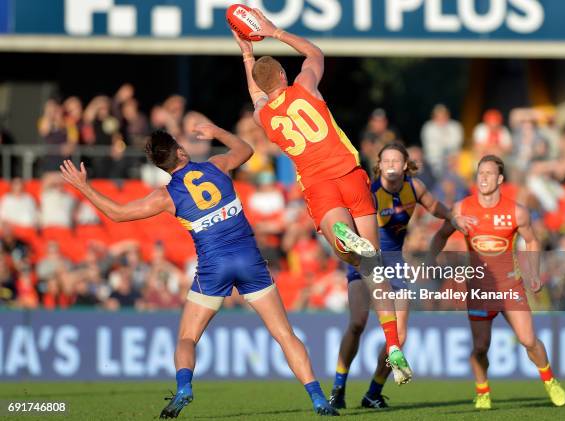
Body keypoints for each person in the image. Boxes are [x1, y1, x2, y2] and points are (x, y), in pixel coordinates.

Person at [59, 123, 338, 418]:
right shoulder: (216, 166)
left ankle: (183, 388)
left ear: (160, 166)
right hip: (249, 260)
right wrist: (217, 131)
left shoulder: (166, 196)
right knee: (284, 334)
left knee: (187, 338)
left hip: (213, 267)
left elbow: (117, 214)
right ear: (181, 151)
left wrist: (83, 187)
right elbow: (246, 150)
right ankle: (318, 398)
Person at [233, 8, 412, 385]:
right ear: (284, 75)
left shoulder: (263, 117)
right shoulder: (306, 89)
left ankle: (342, 240)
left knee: (346, 251)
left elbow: (256, 94)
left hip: (319, 183)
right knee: (374, 266)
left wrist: (247, 54)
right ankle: (393, 345)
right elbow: (315, 53)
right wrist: (274, 31)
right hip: (351, 174)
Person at [329, 143, 473, 409]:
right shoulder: (369, 190)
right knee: (357, 323)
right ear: (380, 165)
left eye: (397, 160)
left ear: (406, 164)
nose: (392, 164)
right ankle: (339, 385)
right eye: (387, 160)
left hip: (395, 263)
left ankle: (373, 392)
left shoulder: (414, 187)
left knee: (400, 335)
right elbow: (345, 222)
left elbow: (434, 206)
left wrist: (453, 218)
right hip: (365, 260)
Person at [429, 155, 565, 410]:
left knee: (528, 340)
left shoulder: (516, 211)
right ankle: (482, 391)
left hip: (510, 286)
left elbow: (533, 241)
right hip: (479, 289)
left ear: (500, 179)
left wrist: (533, 272)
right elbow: (440, 235)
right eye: (480, 173)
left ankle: (549, 380)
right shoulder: (462, 208)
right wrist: (430, 260)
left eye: (489, 173)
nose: (483, 178)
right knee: (480, 348)